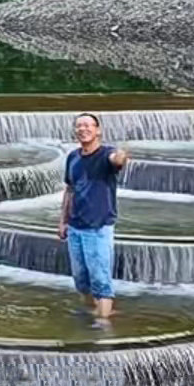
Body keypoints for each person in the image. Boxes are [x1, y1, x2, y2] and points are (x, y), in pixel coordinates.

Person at [59, 113, 129, 327]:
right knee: (81, 280)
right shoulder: (73, 157)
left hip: (98, 227)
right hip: (75, 227)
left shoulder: (106, 154)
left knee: (100, 280)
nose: (83, 129)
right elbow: (70, 190)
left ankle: (103, 325)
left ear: (97, 130)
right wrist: (63, 221)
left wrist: (122, 156)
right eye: (79, 125)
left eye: (88, 125)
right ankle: (93, 310)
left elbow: (116, 160)